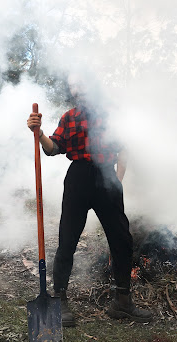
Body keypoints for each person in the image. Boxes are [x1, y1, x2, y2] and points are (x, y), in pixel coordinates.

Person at [27, 78, 152, 326]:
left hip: (107, 176)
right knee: (67, 240)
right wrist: (39, 133)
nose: (78, 88)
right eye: (74, 85)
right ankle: (60, 299)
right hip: (79, 177)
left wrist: (118, 179)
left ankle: (122, 302)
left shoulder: (110, 115)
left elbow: (123, 148)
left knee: (122, 240)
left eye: (82, 83)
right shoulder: (69, 117)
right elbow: (53, 148)